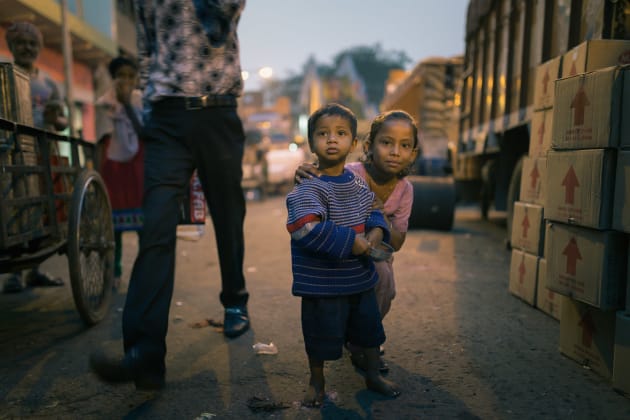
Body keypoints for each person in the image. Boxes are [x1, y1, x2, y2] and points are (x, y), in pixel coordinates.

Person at [89, 0, 250, 390]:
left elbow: (225, 13)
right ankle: (144, 354)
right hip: (165, 120)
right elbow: (146, 49)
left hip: (217, 111)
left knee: (228, 217)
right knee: (155, 228)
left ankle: (234, 300)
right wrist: (150, 110)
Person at [286, 103, 401, 406]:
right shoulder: (307, 187)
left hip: (359, 280)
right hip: (320, 284)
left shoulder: (359, 186)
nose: (332, 139)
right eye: (323, 134)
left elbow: (374, 213)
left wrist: (375, 234)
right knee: (319, 338)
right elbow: (304, 228)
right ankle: (317, 381)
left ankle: (373, 374)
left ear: (353, 143)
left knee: (369, 333)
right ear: (311, 143)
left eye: (340, 133)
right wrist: (354, 242)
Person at [295, 110, 419, 373]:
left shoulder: (405, 190)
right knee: (346, 296)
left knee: (384, 285)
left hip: (375, 250)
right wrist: (305, 169)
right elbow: (324, 175)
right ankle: (353, 341)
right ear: (367, 147)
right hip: (339, 252)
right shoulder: (352, 174)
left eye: (404, 145)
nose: (395, 151)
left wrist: (379, 215)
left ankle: (363, 340)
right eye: (386, 143)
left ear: (413, 153)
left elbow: (396, 242)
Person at [2, 21, 67, 294]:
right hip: (11, 151)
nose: (27, 48)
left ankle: (34, 271)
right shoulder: (4, 76)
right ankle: (16, 275)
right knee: (15, 208)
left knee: (43, 210)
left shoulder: (49, 84)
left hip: (43, 151)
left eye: (32, 44)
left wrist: (57, 120)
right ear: (12, 46)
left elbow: (62, 120)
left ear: (39, 48)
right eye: (21, 43)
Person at [95, 56, 145, 290]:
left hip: (137, 163)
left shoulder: (139, 100)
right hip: (113, 165)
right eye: (120, 75)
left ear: (136, 79)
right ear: (114, 78)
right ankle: (115, 270)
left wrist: (126, 104)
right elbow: (102, 135)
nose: (125, 80)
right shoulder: (105, 100)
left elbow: (142, 130)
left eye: (130, 75)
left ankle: (146, 269)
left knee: (143, 224)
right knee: (115, 225)